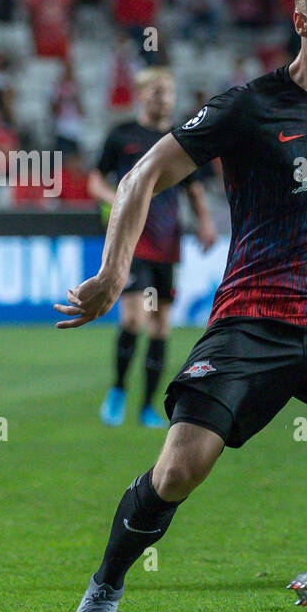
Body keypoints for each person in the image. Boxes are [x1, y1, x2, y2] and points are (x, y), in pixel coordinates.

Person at [59, 0, 307, 612]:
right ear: (301, 23)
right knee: (177, 472)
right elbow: (142, 174)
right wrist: (115, 273)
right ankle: (106, 585)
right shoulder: (248, 106)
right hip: (252, 321)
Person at [88, 67, 218, 429]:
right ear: (142, 94)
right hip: (133, 241)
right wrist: (115, 199)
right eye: (157, 91)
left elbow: (193, 188)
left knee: (161, 325)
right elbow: (95, 179)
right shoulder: (123, 135)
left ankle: (147, 407)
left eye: (169, 91)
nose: (164, 98)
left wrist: (205, 221)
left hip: (167, 241)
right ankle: (117, 390)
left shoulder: (180, 139)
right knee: (133, 317)